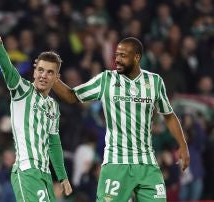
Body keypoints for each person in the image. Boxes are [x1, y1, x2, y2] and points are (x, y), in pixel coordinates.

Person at [52, 37, 190, 202]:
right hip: (116, 164)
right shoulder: (106, 79)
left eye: (123, 55)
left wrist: (183, 145)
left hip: (147, 164)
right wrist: (53, 78)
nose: (117, 59)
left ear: (137, 57)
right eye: (116, 55)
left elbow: (169, 115)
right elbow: (72, 96)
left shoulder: (154, 81)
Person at [0, 22, 72, 201]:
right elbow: (8, 70)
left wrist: (62, 177)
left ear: (56, 78)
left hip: (46, 175)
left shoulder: (53, 106)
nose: (43, 75)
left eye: (49, 72)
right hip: (26, 171)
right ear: (34, 72)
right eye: (40, 70)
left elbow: (54, 143)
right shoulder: (22, 90)